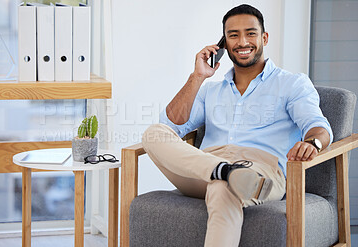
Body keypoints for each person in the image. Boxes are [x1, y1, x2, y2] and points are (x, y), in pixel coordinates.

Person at [141, 4, 333, 247]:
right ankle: (224, 171)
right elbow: (171, 125)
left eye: (250, 33)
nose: (242, 41)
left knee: (223, 188)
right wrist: (197, 77)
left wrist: (312, 143)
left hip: (260, 171)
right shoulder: (209, 90)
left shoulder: (292, 84)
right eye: (233, 35)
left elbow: (317, 126)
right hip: (202, 170)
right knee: (154, 133)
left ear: (264, 38)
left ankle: (228, 175)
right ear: (223, 44)